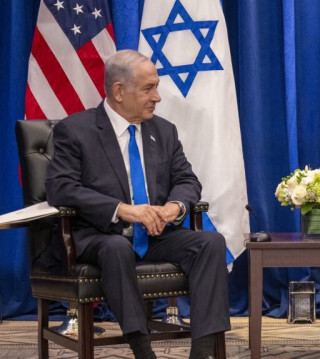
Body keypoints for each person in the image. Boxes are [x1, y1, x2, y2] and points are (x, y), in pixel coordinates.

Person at [45, 49, 229, 359]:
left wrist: (173, 207)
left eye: (156, 87)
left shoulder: (164, 131)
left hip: (154, 233)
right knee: (116, 248)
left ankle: (202, 352)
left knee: (211, 243)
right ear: (119, 91)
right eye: (149, 88)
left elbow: (188, 181)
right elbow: (60, 187)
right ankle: (143, 350)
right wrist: (123, 210)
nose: (157, 97)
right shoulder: (76, 130)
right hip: (98, 235)